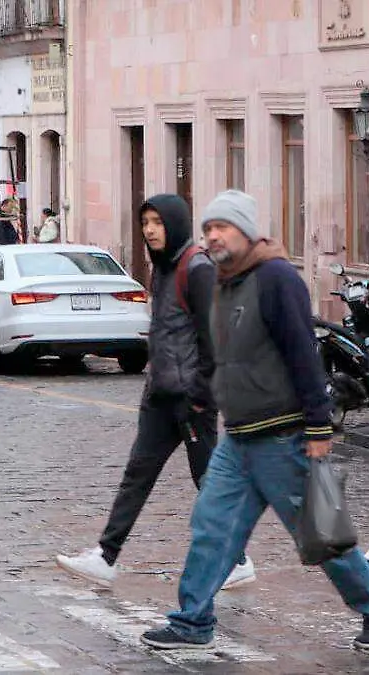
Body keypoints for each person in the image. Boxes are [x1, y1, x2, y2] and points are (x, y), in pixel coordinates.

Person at [140, 189, 369, 651]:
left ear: (246, 230)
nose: (212, 236)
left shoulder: (277, 278)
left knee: (320, 537)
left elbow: (303, 353)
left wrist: (320, 426)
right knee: (212, 527)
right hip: (238, 437)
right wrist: (207, 396)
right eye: (207, 230)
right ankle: (192, 621)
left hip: (284, 436)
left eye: (221, 227)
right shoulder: (224, 280)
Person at [57, 194, 255, 590]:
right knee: (137, 475)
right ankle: (106, 556)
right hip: (161, 395)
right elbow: (164, 333)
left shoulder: (196, 268)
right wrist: (152, 385)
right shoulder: (161, 269)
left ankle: (238, 560)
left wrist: (200, 396)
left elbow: (211, 340)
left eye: (157, 222)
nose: (149, 229)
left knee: (209, 481)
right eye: (145, 221)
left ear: (175, 224)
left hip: (192, 400)